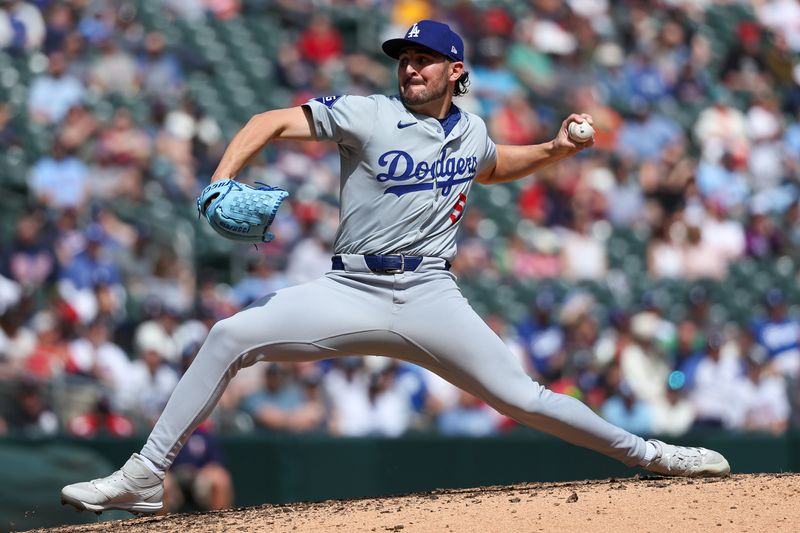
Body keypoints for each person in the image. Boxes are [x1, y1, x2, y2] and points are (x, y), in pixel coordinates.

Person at [61, 20, 730, 515]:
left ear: (456, 72)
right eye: (405, 59)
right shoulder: (368, 114)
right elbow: (269, 121)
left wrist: (555, 147)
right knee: (229, 335)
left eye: (424, 59)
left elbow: (493, 165)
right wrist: (223, 175)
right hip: (351, 286)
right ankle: (147, 473)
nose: (410, 68)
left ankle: (658, 455)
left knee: (526, 398)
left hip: (430, 292)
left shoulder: (469, 130)